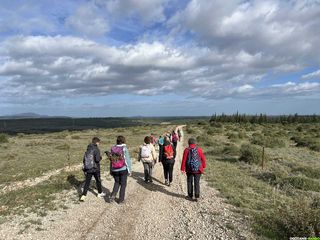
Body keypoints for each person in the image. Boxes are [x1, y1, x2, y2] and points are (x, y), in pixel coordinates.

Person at [80, 137, 106, 201]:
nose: (99, 144)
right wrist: (100, 158)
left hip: (88, 168)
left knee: (87, 182)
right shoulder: (96, 149)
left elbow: (84, 159)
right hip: (95, 168)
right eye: (99, 143)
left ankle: (83, 195)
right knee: (98, 180)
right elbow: (97, 160)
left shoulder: (88, 149)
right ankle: (100, 193)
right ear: (97, 142)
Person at [108, 136, 132, 204]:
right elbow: (127, 160)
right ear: (124, 141)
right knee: (123, 184)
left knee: (116, 182)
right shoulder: (124, 148)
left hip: (114, 169)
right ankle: (121, 200)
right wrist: (130, 170)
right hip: (123, 169)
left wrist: (111, 170)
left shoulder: (112, 148)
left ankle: (112, 195)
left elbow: (111, 160)